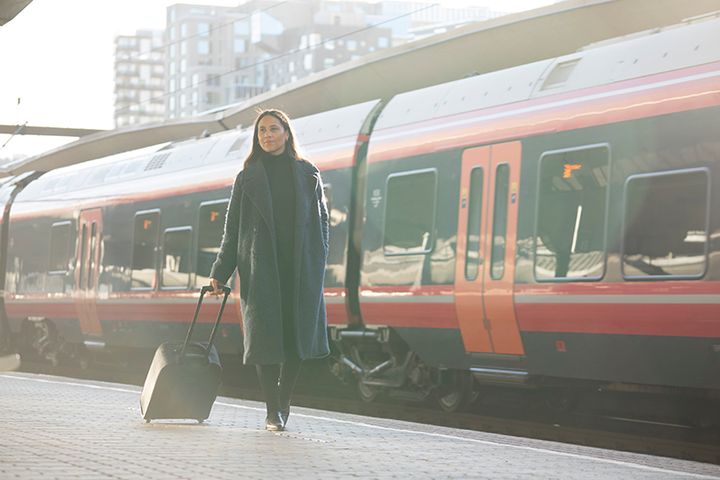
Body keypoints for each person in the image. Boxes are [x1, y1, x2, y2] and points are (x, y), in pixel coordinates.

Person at [209, 109, 330, 432]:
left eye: (273, 129)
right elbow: (232, 230)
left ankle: (284, 401)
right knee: (264, 344)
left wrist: (317, 263)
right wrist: (220, 272)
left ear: (287, 133)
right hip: (260, 270)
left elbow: (322, 225)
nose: (267, 136)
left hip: (299, 271)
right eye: (261, 131)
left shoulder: (308, 174)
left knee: (296, 342)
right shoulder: (247, 177)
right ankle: (272, 410)